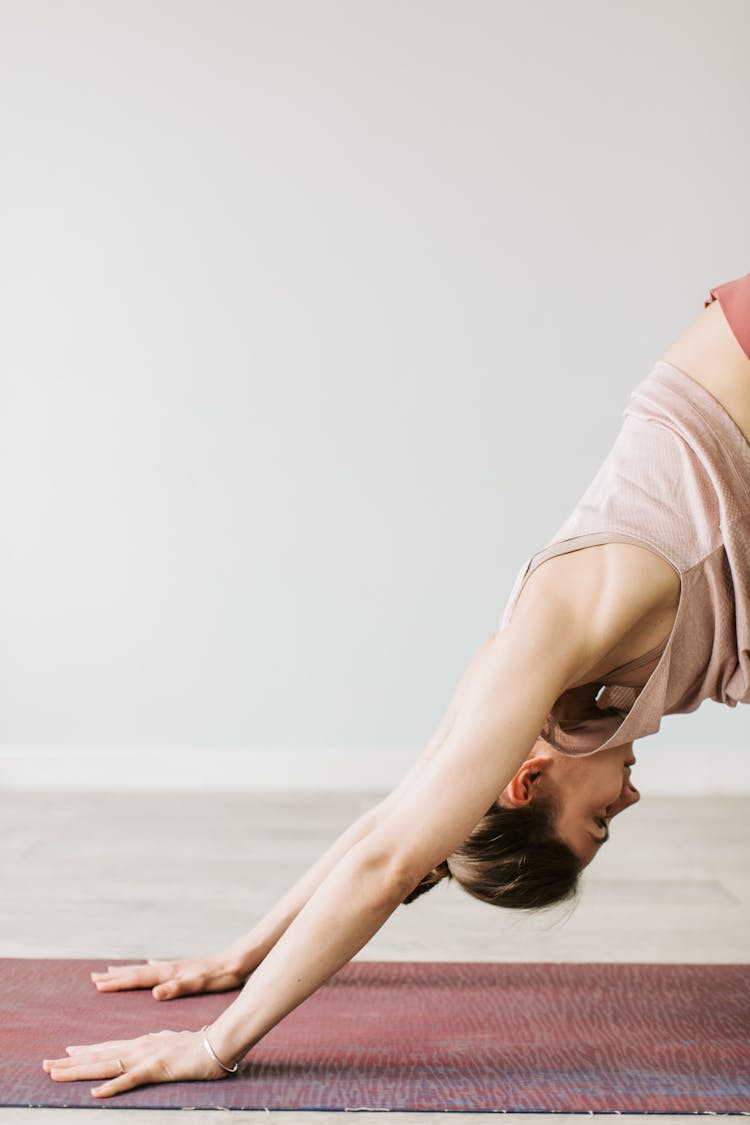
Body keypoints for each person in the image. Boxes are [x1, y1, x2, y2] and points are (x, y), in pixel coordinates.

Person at [42, 270, 750, 1098]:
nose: (627, 804)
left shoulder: (545, 645)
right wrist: (245, 952)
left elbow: (388, 856)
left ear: (525, 782)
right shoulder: (545, 679)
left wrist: (216, 1043)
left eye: (597, 819)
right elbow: (389, 816)